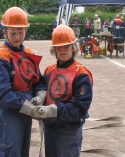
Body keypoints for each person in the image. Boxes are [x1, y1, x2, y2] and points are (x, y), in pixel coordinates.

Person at [0, 6, 46, 157]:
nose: (17, 37)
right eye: (13, 33)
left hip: (26, 114)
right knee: (11, 152)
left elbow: (38, 81)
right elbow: (3, 94)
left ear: (26, 32)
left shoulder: (29, 53)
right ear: (5, 32)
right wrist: (28, 107)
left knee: (22, 152)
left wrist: (40, 96)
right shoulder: (0, 58)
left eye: (21, 32)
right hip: (9, 115)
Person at [33, 24, 93, 157]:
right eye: (59, 47)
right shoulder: (49, 70)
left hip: (69, 130)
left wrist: (53, 110)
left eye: (66, 46)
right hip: (50, 127)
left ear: (74, 47)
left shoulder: (81, 74)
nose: (62, 50)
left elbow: (80, 107)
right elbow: (42, 86)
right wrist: (40, 98)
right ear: (54, 49)